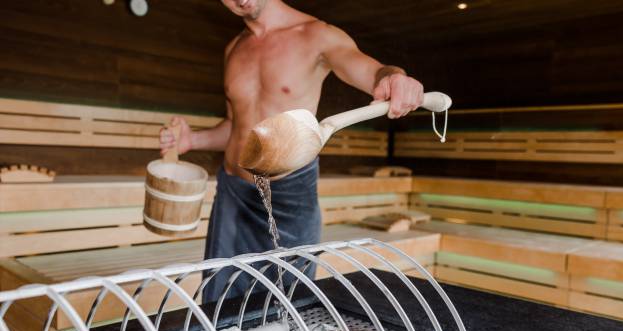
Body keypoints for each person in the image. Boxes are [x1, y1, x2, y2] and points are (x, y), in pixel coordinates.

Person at [159, 0, 425, 303]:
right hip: (234, 196)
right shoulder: (234, 49)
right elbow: (236, 126)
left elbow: (374, 72)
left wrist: (393, 78)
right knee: (218, 308)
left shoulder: (317, 36)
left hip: (288, 197)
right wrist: (192, 141)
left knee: (285, 311)